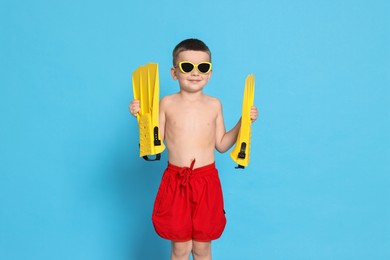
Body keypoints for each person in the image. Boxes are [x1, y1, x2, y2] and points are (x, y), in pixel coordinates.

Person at [129, 38, 258, 260]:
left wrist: (244, 122)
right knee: (180, 249)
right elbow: (153, 140)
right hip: (175, 180)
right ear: (174, 73)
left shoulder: (214, 104)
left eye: (203, 67)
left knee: (202, 248)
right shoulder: (167, 103)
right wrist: (139, 115)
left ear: (210, 73)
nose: (195, 72)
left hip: (206, 181)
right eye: (187, 67)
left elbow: (222, 145)